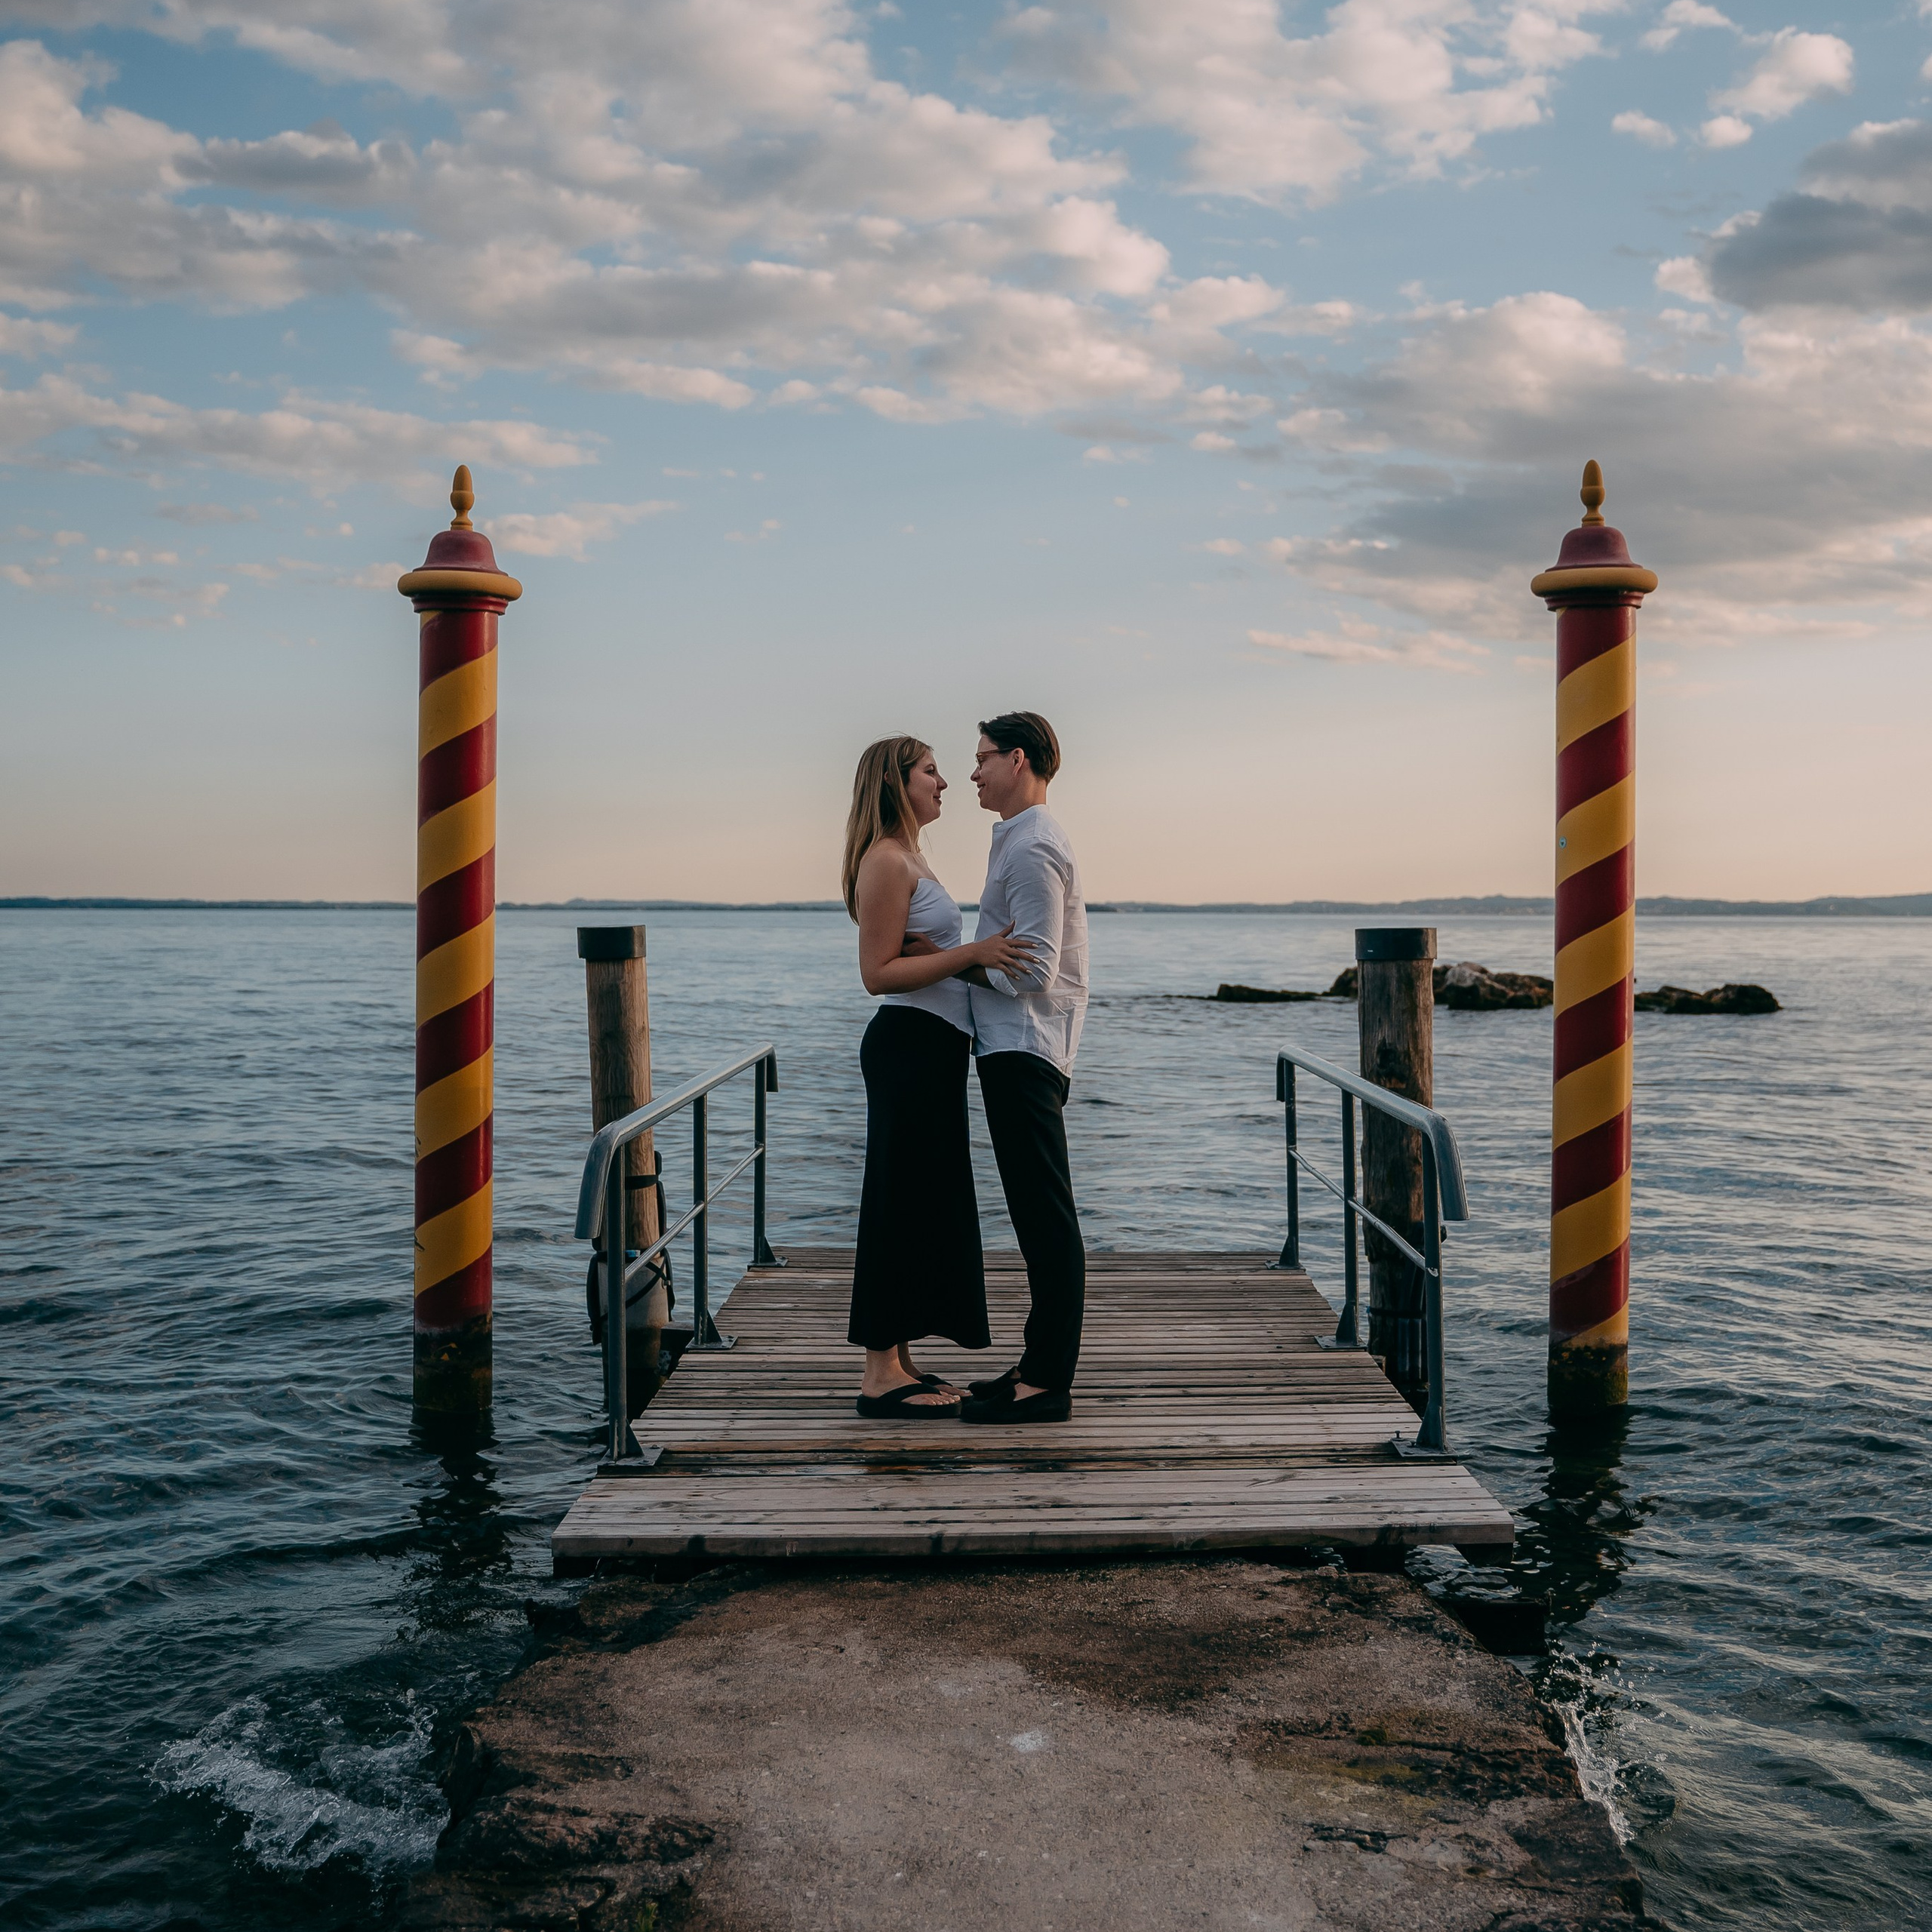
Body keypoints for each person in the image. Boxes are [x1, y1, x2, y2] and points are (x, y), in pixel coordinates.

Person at [842, 735, 1036, 1420]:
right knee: (897, 1198)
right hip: (909, 1049)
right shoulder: (886, 861)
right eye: (931, 771)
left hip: (932, 1051)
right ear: (896, 783)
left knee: (921, 1199)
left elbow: (911, 955)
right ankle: (877, 1376)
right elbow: (877, 976)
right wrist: (971, 953)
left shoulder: (909, 858)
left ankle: (898, 1362)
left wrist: (955, 956)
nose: (945, 782)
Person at [955, 712, 1090, 1426]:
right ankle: (1038, 1363)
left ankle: (1048, 1384)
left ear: (1018, 758)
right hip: (1014, 1048)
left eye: (981, 758)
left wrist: (961, 963)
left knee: (1045, 1219)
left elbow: (1033, 969)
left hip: (1027, 1047)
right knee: (1036, 1215)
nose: (973, 772)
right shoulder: (1018, 837)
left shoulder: (1034, 844)